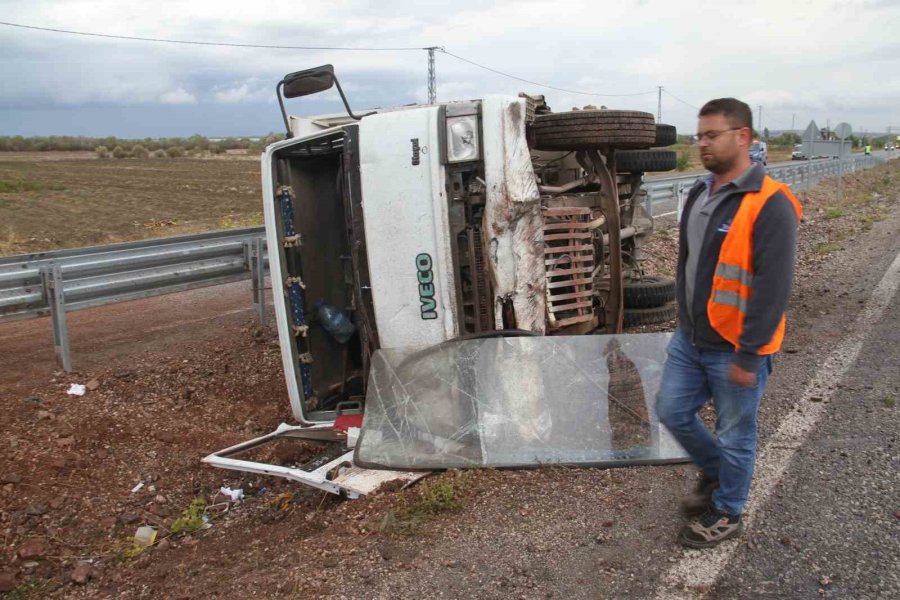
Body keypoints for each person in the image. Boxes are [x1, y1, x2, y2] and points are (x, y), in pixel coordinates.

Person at [655, 98, 802, 549]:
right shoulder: (701, 193)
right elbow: (690, 265)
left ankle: (728, 510)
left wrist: (750, 350)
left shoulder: (771, 203)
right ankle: (717, 472)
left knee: (737, 433)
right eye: (699, 135)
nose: (702, 144)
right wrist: (684, 320)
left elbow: (773, 287)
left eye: (711, 135)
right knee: (671, 410)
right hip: (692, 337)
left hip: (737, 346)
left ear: (742, 137)